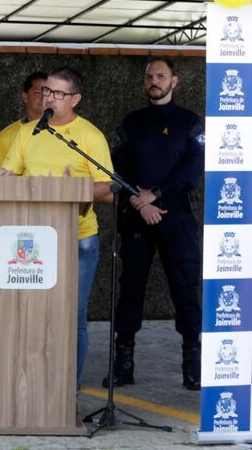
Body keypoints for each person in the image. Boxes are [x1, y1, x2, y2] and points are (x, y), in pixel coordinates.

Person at [0, 66, 114, 388]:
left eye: (58, 93)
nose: (49, 97)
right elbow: (11, 174)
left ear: (75, 99)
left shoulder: (89, 136)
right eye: (47, 91)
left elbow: (106, 188)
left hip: (78, 239)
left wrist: (71, 190)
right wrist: (1, 180)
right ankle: (32, 383)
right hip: (34, 242)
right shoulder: (28, 132)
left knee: (71, 317)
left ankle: (66, 390)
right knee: (32, 315)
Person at [105, 57, 204, 390]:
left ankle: (193, 364)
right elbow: (116, 166)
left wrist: (157, 196)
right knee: (130, 289)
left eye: (161, 75)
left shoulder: (189, 122)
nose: (154, 80)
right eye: (149, 76)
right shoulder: (132, 122)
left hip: (176, 218)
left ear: (174, 81)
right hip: (136, 217)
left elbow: (192, 172)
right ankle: (124, 363)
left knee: (185, 289)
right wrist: (139, 199)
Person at [0, 71, 47, 173]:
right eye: (38, 92)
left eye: (48, 92)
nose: (44, 97)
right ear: (25, 97)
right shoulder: (3, 139)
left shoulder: (63, 135)